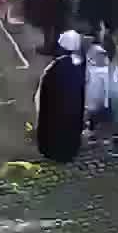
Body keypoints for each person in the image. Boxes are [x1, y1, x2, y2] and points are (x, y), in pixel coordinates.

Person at [34, 29, 87, 163]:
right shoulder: (80, 66)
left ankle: (53, 150)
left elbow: (43, 94)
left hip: (55, 116)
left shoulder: (55, 68)